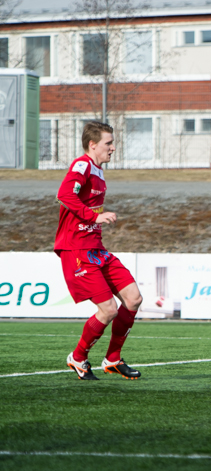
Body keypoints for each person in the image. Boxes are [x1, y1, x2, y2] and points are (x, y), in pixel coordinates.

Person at [56, 121, 143, 380]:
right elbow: (64, 194)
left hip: (95, 248)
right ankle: (78, 357)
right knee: (108, 309)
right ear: (92, 145)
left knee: (134, 298)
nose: (113, 148)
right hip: (77, 250)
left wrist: (95, 220)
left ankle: (112, 359)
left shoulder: (99, 171)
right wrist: (94, 217)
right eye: (108, 143)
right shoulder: (81, 165)